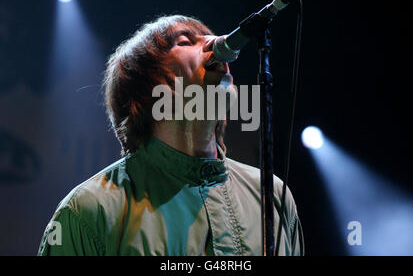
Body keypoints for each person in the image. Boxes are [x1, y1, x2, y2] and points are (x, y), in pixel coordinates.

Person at [38, 15, 304, 256]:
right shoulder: (89, 210)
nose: (216, 44)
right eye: (186, 41)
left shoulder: (273, 196)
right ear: (148, 88)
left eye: (210, 36)